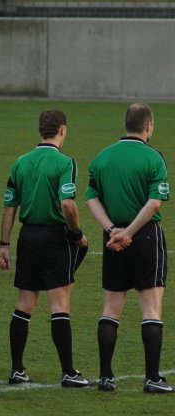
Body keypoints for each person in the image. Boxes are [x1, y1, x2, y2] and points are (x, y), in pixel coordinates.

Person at [0, 109, 89, 388]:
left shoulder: (20, 162)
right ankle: (69, 372)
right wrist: (76, 233)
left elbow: (10, 207)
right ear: (62, 129)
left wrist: (4, 245)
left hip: (27, 237)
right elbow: (67, 204)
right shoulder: (64, 163)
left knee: (24, 304)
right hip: (54, 238)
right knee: (59, 305)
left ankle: (16, 369)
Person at [85, 103, 172, 394]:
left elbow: (91, 198)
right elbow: (155, 203)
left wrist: (112, 230)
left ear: (126, 124)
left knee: (111, 307)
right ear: (149, 126)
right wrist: (130, 232)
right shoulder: (154, 158)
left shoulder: (102, 157)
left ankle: (106, 377)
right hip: (145, 236)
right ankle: (152, 378)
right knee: (150, 308)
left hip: (113, 240)